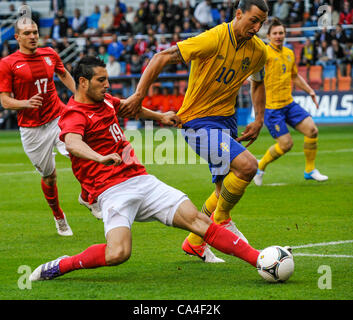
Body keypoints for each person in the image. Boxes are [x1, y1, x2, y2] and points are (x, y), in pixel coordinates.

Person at [29, 56, 269, 281]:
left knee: (197, 220)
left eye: (107, 79)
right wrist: (99, 158)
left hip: (142, 180)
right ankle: (63, 264)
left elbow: (128, 108)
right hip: (111, 190)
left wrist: (160, 117)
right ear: (82, 82)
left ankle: (260, 260)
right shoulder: (73, 114)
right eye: (101, 80)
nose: (107, 84)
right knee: (118, 253)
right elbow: (72, 142)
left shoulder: (106, 101)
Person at [121, 0, 269, 262]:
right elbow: (161, 57)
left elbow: (258, 83)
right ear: (238, 14)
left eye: (261, 23)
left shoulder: (258, 51)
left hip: (227, 121)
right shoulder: (213, 39)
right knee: (247, 167)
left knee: (221, 191)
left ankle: (195, 242)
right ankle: (221, 220)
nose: (257, 28)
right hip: (198, 122)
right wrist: (138, 95)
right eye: (253, 20)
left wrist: (258, 120)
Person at [0, 17, 76, 236]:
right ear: (17, 37)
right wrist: (25, 103)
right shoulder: (7, 63)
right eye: (27, 33)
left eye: (34, 32)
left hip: (58, 116)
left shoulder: (50, 54)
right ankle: (59, 217)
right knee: (49, 177)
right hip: (32, 128)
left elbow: (63, 73)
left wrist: (78, 96)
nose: (33, 36)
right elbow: (5, 100)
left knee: (81, 153)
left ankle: (90, 197)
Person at [253, 18, 328, 187]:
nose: (278, 36)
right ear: (269, 36)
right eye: (275, 33)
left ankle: (309, 170)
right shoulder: (264, 54)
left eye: (281, 33)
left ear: (285, 35)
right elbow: (254, 77)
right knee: (286, 145)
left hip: (289, 104)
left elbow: (294, 76)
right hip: (272, 109)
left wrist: (310, 91)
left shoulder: (289, 53)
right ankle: (260, 166)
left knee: (312, 131)